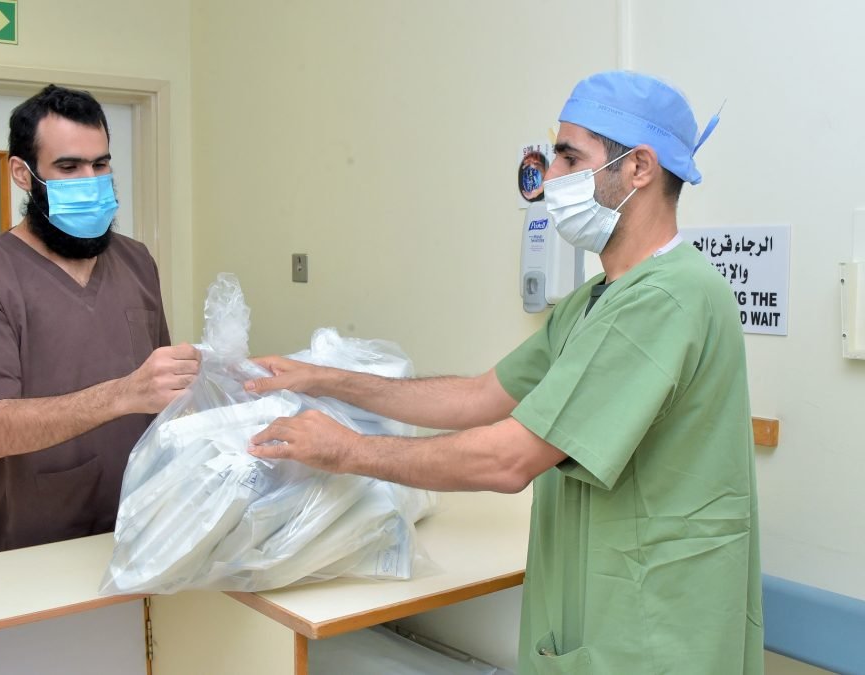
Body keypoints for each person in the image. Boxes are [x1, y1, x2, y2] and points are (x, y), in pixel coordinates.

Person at [246, 71, 763, 674]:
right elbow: (479, 396)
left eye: (570, 157)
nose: (551, 176)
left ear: (639, 168)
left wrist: (347, 451)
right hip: (604, 609)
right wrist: (323, 378)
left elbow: (508, 460)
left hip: (656, 631)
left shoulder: (666, 301)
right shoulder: (596, 300)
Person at [0, 85, 200, 552]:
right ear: (22, 173)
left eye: (100, 164)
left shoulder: (136, 261)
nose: (91, 180)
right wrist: (125, 393)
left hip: (149, 522)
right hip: (45, 539)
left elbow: (163, 390)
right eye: (68, 167)